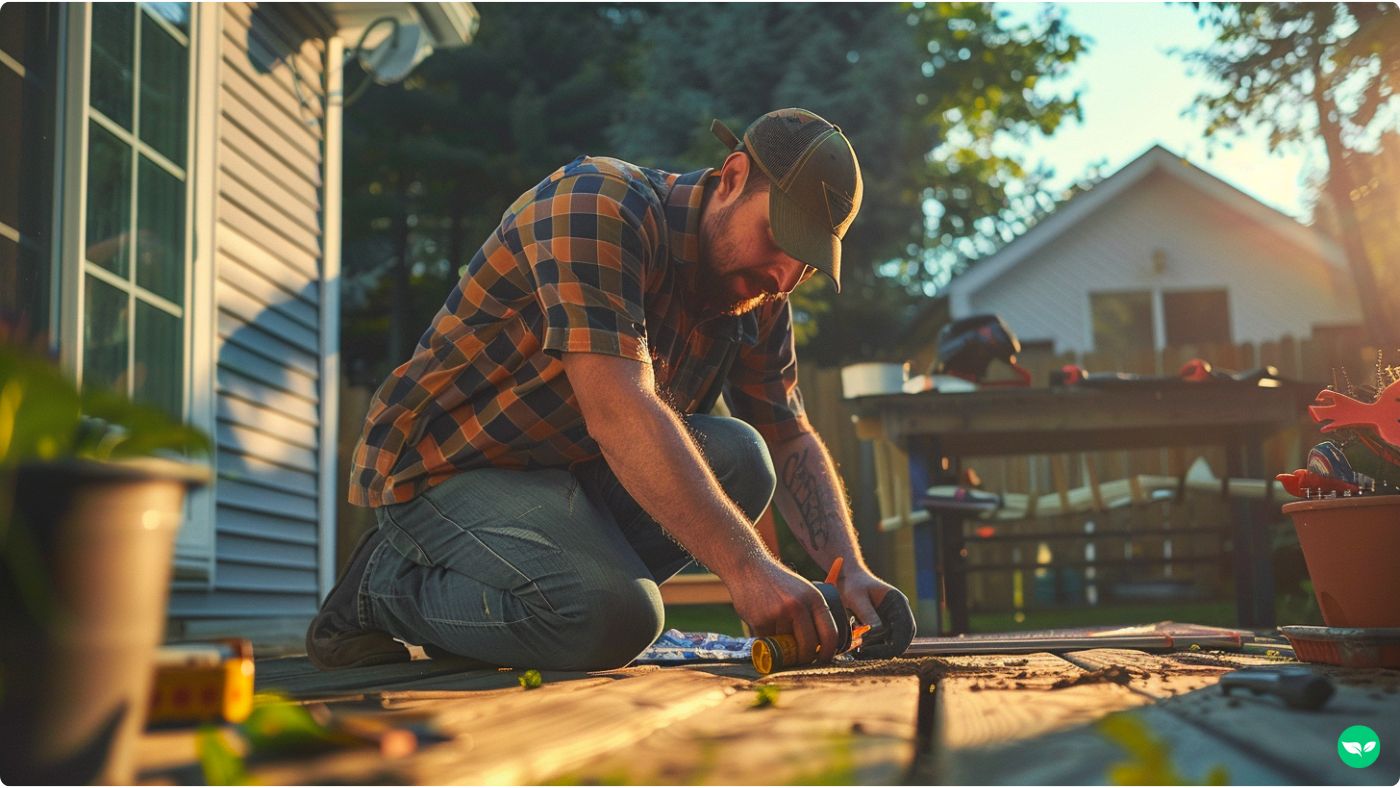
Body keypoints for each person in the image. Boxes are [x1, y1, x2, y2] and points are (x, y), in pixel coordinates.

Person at [308, 108, 915, 672]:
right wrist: (751, 570)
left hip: (565, 475)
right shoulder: (599, 206)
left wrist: (851, 571)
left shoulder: (758, 291)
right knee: (615, 620)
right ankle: (380, 588)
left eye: (807, 261)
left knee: (744, 458)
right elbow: (619, 412)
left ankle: (528, 616)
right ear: (732, 177)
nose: (786, 275)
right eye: (779, 238)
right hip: (446, 470)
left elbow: (788, 436)